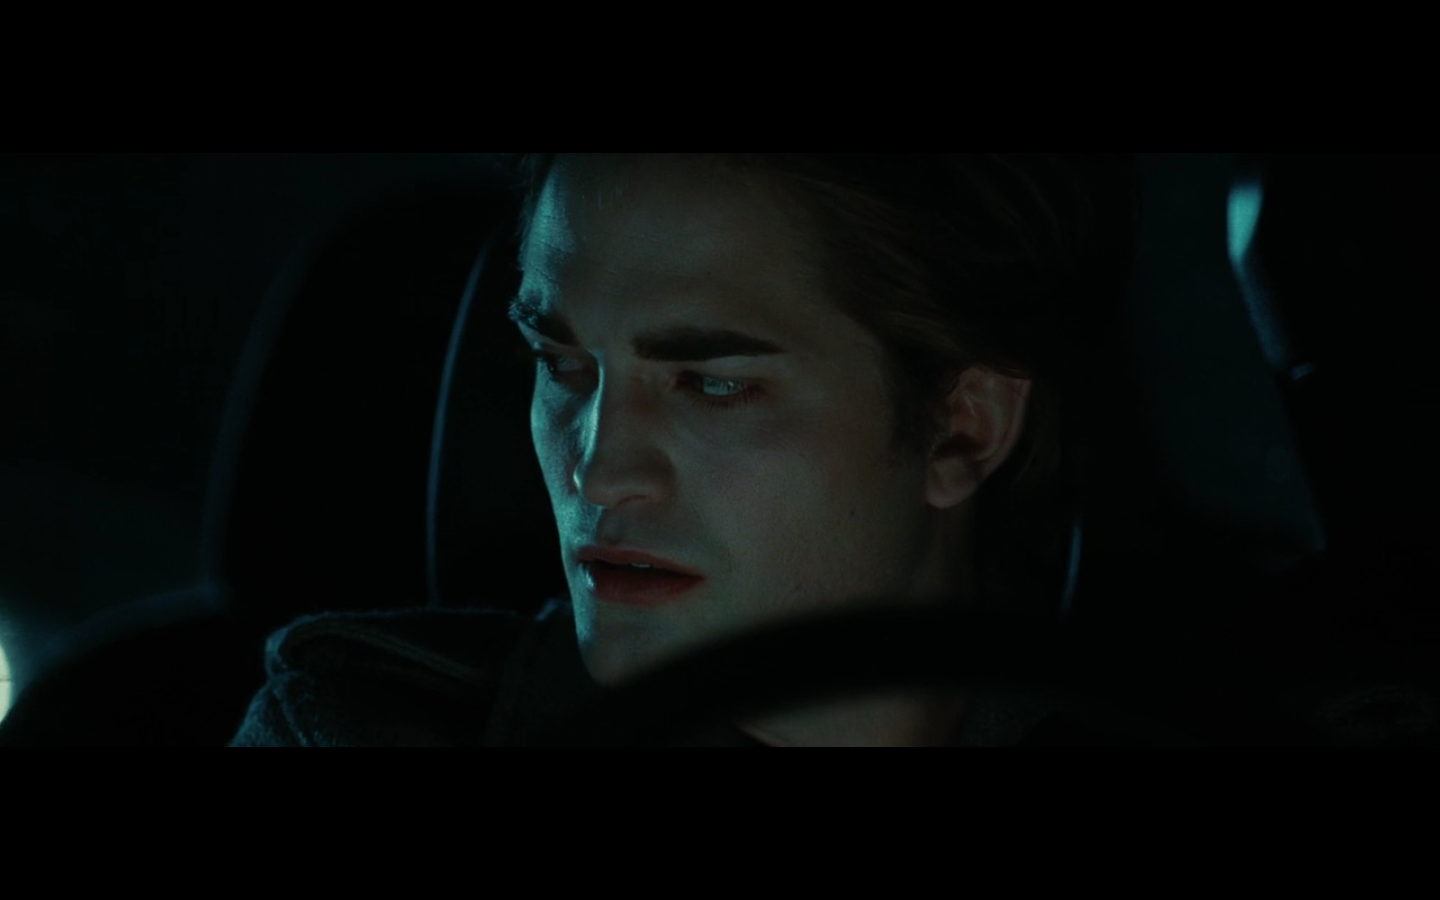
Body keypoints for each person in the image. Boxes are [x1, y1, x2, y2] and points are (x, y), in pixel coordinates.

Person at [231, 153, 1139, 747]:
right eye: (561, 366)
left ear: (962, 430)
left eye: (712, 386)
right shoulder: (352, 732)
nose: (598, 473)